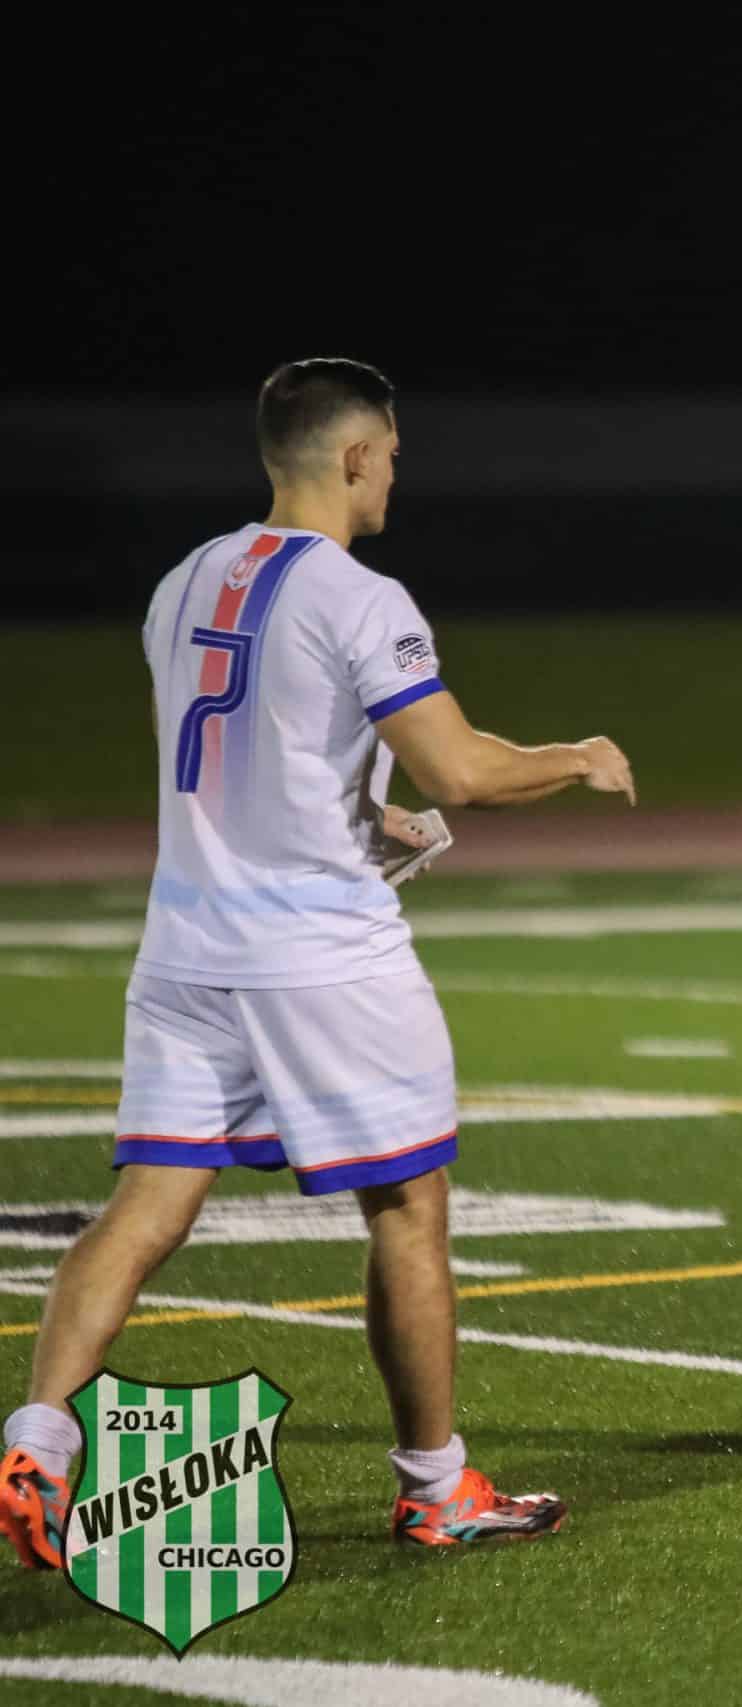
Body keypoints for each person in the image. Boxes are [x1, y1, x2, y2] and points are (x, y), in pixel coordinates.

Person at [0, 357, 636, 1567]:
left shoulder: (184, 580)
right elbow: (461, 770)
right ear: (352, 457)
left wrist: (369, 820)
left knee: (143, 1210)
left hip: (187, 949)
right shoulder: (360, 596)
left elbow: (225, 764)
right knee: (407, 1208)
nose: (393, 476)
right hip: (322, 957)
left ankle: (37, 1440)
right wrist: (576, 757)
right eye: (389, 456)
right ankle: (436, 1486)